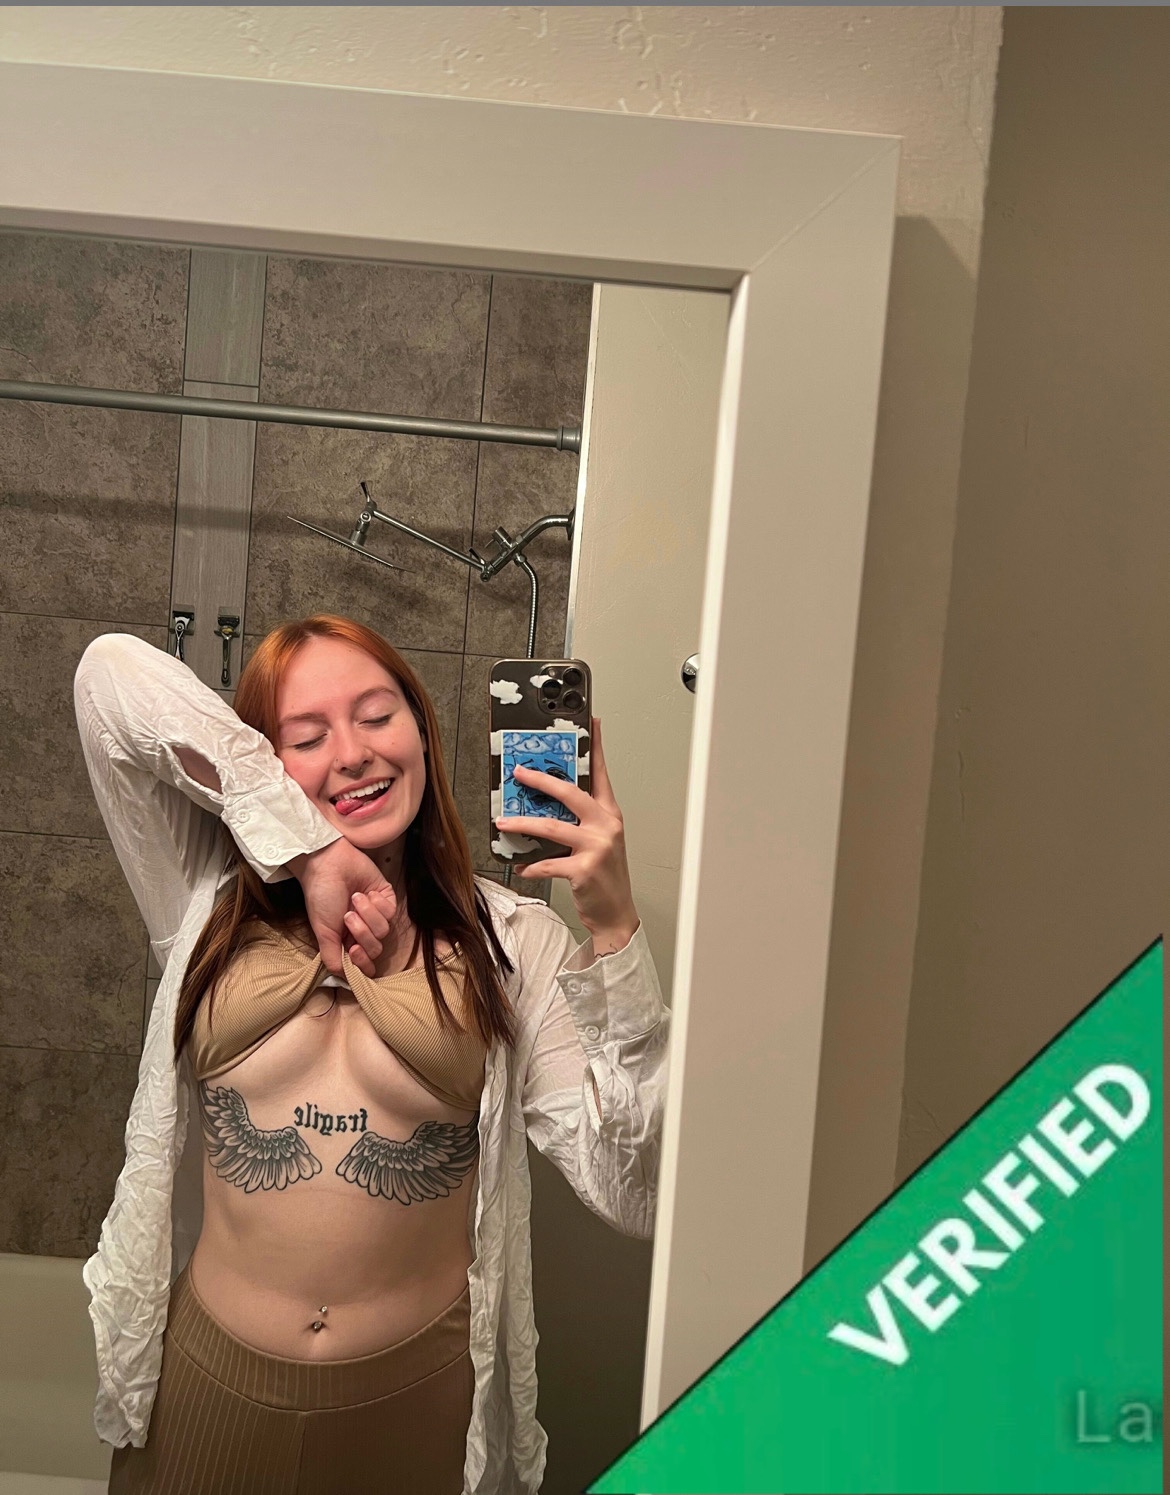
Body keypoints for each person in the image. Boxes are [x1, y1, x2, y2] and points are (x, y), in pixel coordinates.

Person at [73, 615, 669, 1495]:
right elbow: (106, 678)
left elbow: (635, 1187)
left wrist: (613, 924)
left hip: (413, 1407)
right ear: (262, 762)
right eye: (306, 736)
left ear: (421, 731)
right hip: (207, 1392)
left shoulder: (514, 943)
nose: (352, 754)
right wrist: (310, 849)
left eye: (377, 716)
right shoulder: (204, 900)